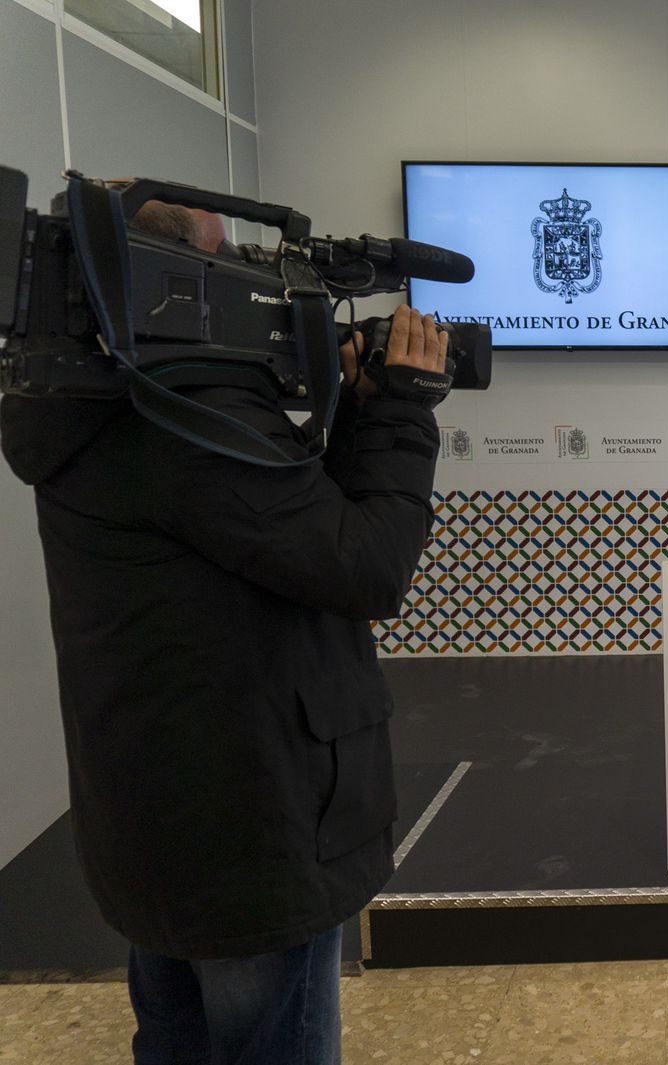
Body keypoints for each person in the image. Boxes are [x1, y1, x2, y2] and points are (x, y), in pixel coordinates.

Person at [1, 199, 448, 1062]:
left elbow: (285, 536)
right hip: (250, 838)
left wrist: (354, 410)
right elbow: (366, 567)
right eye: (229, 260)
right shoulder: (189, 421)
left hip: (157, 823)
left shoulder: (89, 401)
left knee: (177, 1040)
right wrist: (404, 410)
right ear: (178, 286)